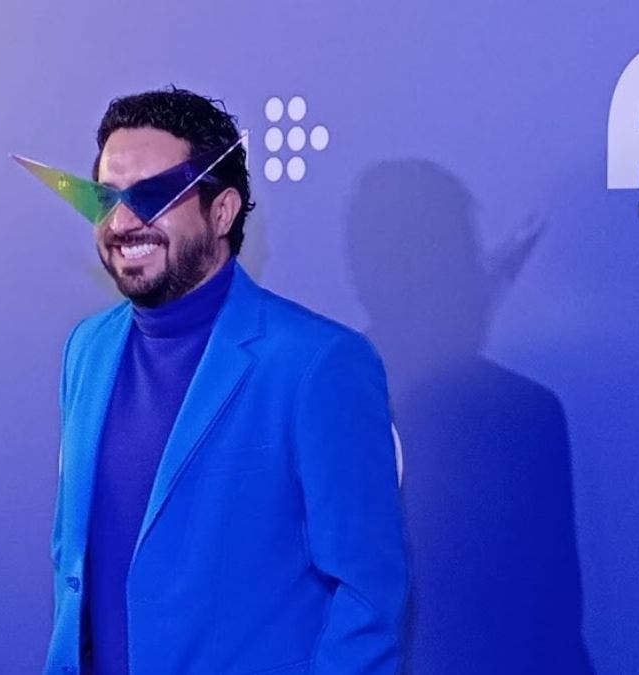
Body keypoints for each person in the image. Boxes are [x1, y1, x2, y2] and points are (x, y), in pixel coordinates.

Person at [30, 88, 408, 674]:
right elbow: (72, 559)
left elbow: (368, 600)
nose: (122, 221)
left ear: (223, 211)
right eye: (105, 198)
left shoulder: (318, 363)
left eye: (151, 196)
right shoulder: (87, 348)